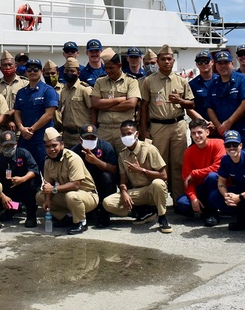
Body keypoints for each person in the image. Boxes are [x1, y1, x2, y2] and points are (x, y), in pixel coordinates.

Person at [140, 45, 194, 200]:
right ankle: (159, 201)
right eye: (162, 59)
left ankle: (178, 200)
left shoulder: (181, 81)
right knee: (158, 164)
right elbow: (143, 105)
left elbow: (191, 104)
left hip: (177, 125)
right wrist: (143, 129)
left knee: (178, 163)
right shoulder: (149, 81)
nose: (166, 62)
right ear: (157, 61)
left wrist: (180, 100)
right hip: (157, 126)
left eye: (169, 59)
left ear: (173, 60)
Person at [102, 120, 172, 234]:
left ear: (137, 134)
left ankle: (162, 217)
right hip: (137, 192)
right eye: (123, 135)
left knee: (158, 183)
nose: (126, 137)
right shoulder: (122, 155)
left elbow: (164, 175)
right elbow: (123, 179)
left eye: (129, 133)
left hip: (152, 190)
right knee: (108, 203)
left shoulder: (150, 149)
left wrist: (142, 170)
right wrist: (123, 192)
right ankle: (141, 212)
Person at [36, 127, 98, 234]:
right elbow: (48, 184)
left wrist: (53, 188)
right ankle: (67, 217)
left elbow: (76, 185)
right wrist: (47, 199)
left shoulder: (72, 158)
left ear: (62, 145)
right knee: (39, 196)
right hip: (66, 194)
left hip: (87, 195)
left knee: (72, 196)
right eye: (48, 147)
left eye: (54, 145)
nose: (51, 149)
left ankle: (81, 222)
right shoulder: (48, 161)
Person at [207, 50, 245, 156]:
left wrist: (229, 122)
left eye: (226, 63)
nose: (223, 66)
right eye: (220, 63)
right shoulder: (213, 84)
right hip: (224, 134)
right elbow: (209, 107)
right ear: (215, 65)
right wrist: (219, 127)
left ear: (232, 64)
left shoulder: (242, 80)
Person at [177, 119, 226, 224]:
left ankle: (212, 212)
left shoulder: (219, 143)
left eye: (200, 132)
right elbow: (187, 179)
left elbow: (218, 167)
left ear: (207, 132)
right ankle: (202, 208)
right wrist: (193, 198)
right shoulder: (189, 152)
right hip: (200, 188)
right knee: (182, 203)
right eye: (193, 133)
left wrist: (194, 173)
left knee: (212, 176)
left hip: (216, 186)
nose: (197, 136)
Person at [13, 58, 60, 168]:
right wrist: (21, 128)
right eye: (29, 69)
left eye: (36, 69)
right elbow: (17, 112)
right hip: (25, 138)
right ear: (26, 72)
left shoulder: (48, 90)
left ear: (41, 71)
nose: (32, 72)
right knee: (23, 168)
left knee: (44, 169)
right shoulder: (21, 92)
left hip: (42, 139)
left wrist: (32, 129)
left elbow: (49, 114)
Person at [89, 54, 140, 154]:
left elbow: (131, 104)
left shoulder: (131, 81)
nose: (108, 71)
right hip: (104, 129)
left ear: (119, 65)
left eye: (111, 68)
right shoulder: (100, 82)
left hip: (124, 130)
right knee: (103, 159)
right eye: (106, 68)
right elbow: (95, 104)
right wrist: (119, 100)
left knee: (126, 159)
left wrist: (105, 106)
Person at [70, 124, 118, 228]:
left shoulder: (105, 146)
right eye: (87, 138)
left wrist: (96, 161)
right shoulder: (74, 151)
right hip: (84, 185)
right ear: (80, 139)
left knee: (107, 177)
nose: (90, 140)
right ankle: (87, 211)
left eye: (93, 137)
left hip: (102, 183)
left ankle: (104, 214)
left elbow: (114, 169)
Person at [0, 130, 40, 227]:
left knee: (31, 185)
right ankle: (14, 208)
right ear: (0, 145)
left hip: (24, 187)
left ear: (16, 144)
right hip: (8, 191)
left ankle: (31, 215)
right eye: (6, 146)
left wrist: (23, 179)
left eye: (11, 145)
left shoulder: (23, 153)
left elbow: (34, 170)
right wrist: (2, 196)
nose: (8, 148)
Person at [57, 58, 92, 148]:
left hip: (82, 134)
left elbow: (93, 110)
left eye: (72, 71)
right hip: (67, 135)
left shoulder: (85, 89)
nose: (69, 73)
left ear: (78, 73)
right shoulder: (63, 90)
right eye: (66, 70)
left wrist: (91, 131)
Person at [188, 50, 216, 123]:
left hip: (221, 124)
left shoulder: (221, 81)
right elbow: (189, 108)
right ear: (197, 64)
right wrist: (205, 123)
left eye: (206, 61)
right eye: (200, 62)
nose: (203, 64)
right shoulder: (192, 84)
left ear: (212, 62)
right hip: (200, 125)